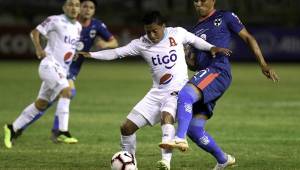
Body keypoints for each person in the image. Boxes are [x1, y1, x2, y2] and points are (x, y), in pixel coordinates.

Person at [79, 10, 231, 170]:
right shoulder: (140, 43)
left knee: (167, 116)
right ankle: (130, 163)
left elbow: (195, 40)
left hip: (179, 90)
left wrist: (212, 48)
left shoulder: (177, 33)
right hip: (157, 92)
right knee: (126, 128)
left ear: (163, 26)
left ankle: (166, 162)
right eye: (148, 31)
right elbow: (116, 52)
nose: (151, 35)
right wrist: (91, 55)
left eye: (154, 30)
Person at [158, 0, 279, 169]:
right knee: (194, 128)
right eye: (195, 1)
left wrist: (263, 64)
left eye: (202, 0)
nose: (198, 3)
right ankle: (223, 159)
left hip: (217, 70)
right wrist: (186, 56)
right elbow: (194, 64)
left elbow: (248, 37)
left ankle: (179, 138)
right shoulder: (193, 31)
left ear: (213, 0)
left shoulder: (225, 17)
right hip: (205, 75)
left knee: (185, 95)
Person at [11, 0, 119, 142]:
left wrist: (104, 44)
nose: (87, 10)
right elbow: (42, 33)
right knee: (67, 91)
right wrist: (41, 46)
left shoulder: (95, 25)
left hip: (72, 66)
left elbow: (114, 42)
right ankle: (59, 131)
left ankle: (17, 128)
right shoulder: (66, 22)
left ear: (94, 11)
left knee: (45, 102)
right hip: (57, 65)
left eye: (91, 7)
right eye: (84, 6)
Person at [3, 0, 82, 148]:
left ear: (79, 9)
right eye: (70, 4)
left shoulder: (78, 27)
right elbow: (35, 32)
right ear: (64, 7)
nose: (73, 8)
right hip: (49, 65)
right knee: (67, 91)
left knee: (41, 104)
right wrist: (39, 48)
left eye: (77, 5)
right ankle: (62, 131)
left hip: (61, 71)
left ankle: (12, 128)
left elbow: (67, 48)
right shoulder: (55, 20)